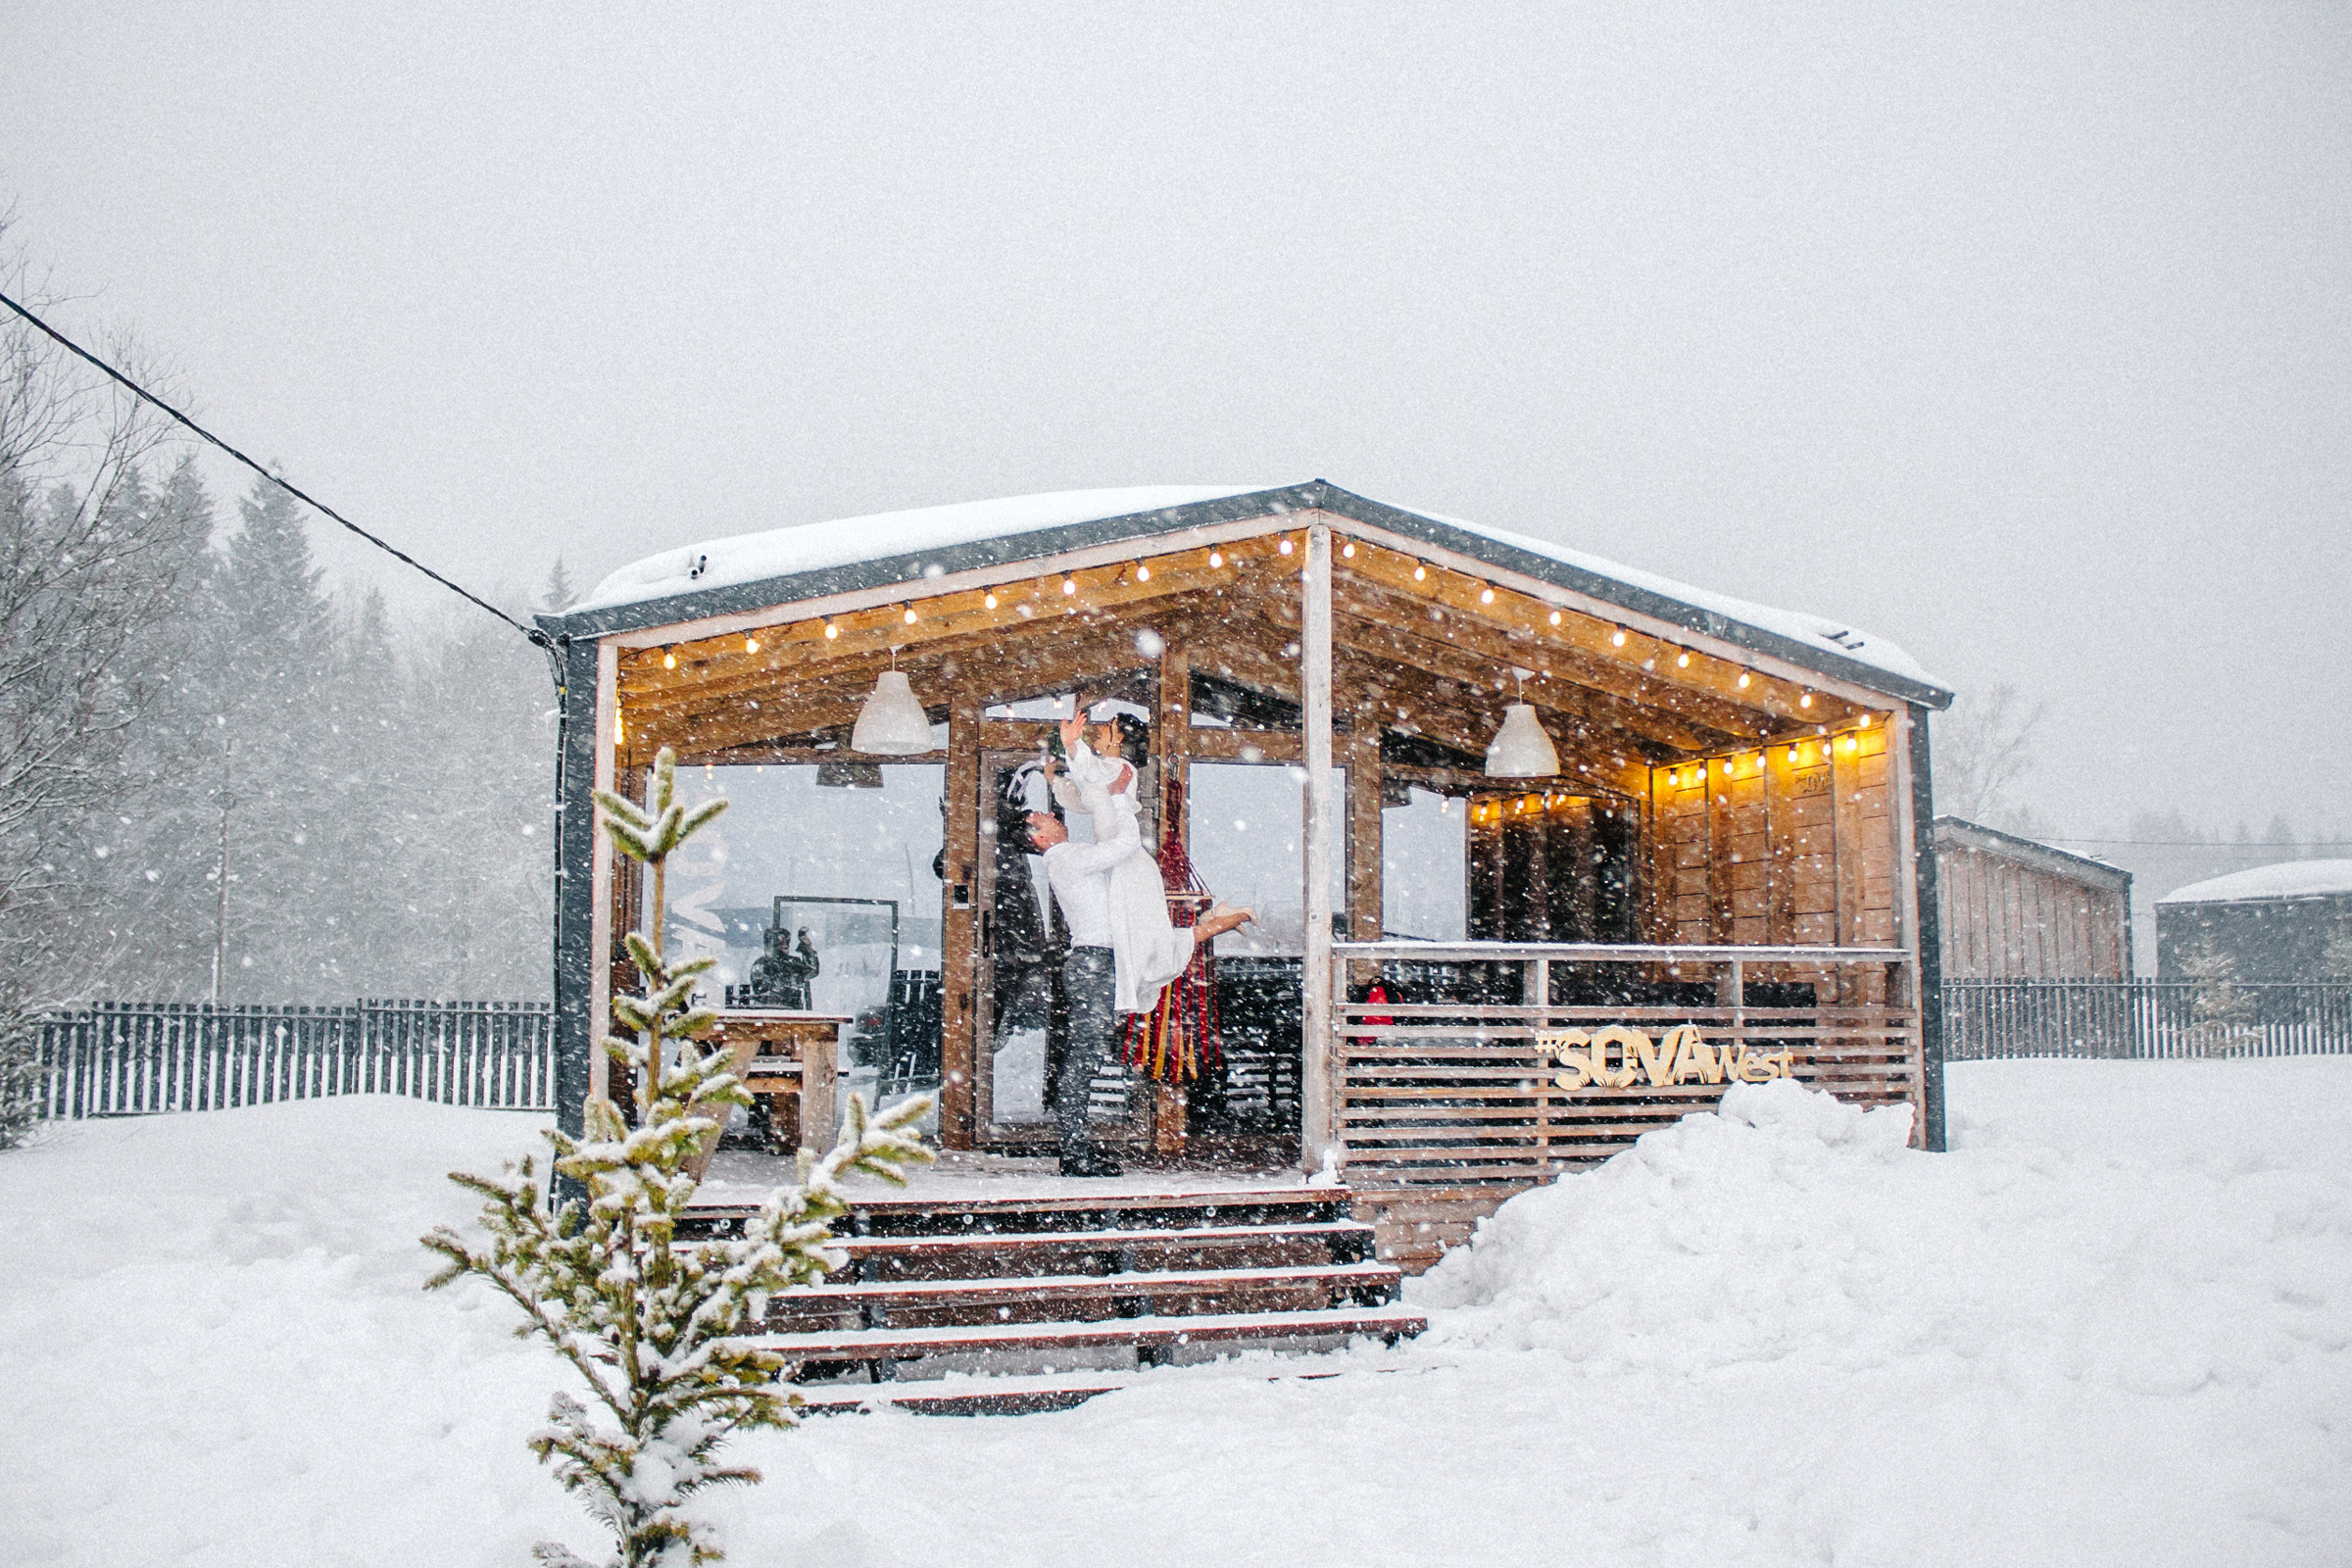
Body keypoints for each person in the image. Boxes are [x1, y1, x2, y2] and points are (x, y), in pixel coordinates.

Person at [1028, 789, 1251, 1178]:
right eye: (1040, 817)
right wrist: (1115, 798)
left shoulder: (1069, 859)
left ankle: (1076, 1150)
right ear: (1038, 838)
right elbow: (1126, 844)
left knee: (1087, 1056)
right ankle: (1074, 1153)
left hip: (1100, 963)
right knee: (1084, 1058)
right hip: (1095, 965)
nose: (1050, 814)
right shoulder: (1065, 858)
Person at [1048, 715, 1212, 1015]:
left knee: (1129, 930)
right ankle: (1136, 975)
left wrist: (1073, 745)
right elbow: (1086, 798)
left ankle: (1138, 973)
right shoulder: (1107, 772)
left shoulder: (1120, 768)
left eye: (1107, 727)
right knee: (1125, 930)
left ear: (1119, 739)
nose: (1098, 730)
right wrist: (1055, 780)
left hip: (1125, 859)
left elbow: (1091, 775)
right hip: (1116, 856)